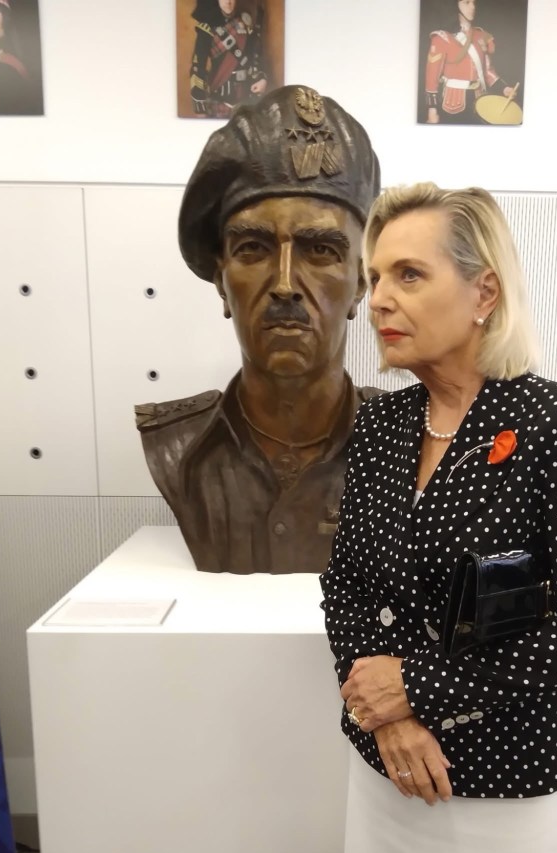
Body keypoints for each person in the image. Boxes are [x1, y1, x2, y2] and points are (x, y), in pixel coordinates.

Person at [320, 183, 557, 853]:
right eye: (374, 278)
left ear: (483, 291)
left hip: (501, 771)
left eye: (408, 275)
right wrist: (385, 715)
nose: (378, 300)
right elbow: (346, 585)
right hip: (387, 762)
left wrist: (416, 690)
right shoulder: (382, 427)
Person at [135, 85, 381, 573]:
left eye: (321, 250)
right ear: (222, 283)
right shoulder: (175, 446)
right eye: (253, 249)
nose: (285, 284)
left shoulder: (404, 444)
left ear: (360, 283)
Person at [424, 0, 516, 124]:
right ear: (455, 5)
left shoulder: (481, 36)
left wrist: (504, 88)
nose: (472, 7)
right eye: (466, 2)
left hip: (480, 99)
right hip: (453, 102)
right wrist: (432, 111)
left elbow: (487, 71)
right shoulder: (442, 38)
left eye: (474, 2)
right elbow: (432, 77)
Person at [189, 0, 268, 118]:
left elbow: (255, 55)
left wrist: (261, 78)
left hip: (245, 97)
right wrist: (199, 104)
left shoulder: (245, 22)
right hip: (218, 96)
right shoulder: (206, 28)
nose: (228, 2)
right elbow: (198, 67)